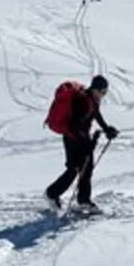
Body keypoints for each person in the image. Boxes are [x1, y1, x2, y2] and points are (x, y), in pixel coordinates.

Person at [45, 75, 119, 213]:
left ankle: (84, 200)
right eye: (102, 92)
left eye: (105, 92)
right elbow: (74, 126)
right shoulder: (82, 100)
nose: (103, 95)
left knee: (87, 168)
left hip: (81, 138)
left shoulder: (93, 99)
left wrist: (106, 128)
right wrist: (86, 142)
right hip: (72, 138)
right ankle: (52, 194)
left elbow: (96, 114)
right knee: (74, 169)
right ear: (95, 89)